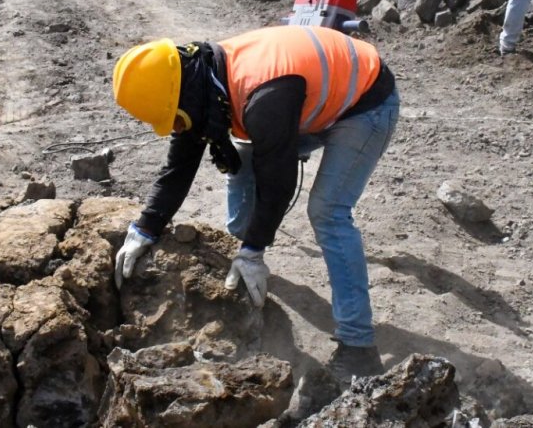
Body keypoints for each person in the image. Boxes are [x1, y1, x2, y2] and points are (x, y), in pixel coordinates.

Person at [111, 25, 400, 380]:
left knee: (328, 212)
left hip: (364, 101)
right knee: (245, 164)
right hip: (303, 98)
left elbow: (277, 183)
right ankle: (247, 254)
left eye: (174, 117)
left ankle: (359, 349)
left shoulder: (261, 97)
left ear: (180, 97)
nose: (175, 126)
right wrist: (145, 227)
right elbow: (179, 165)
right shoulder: (202, 80)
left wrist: (254, 250)